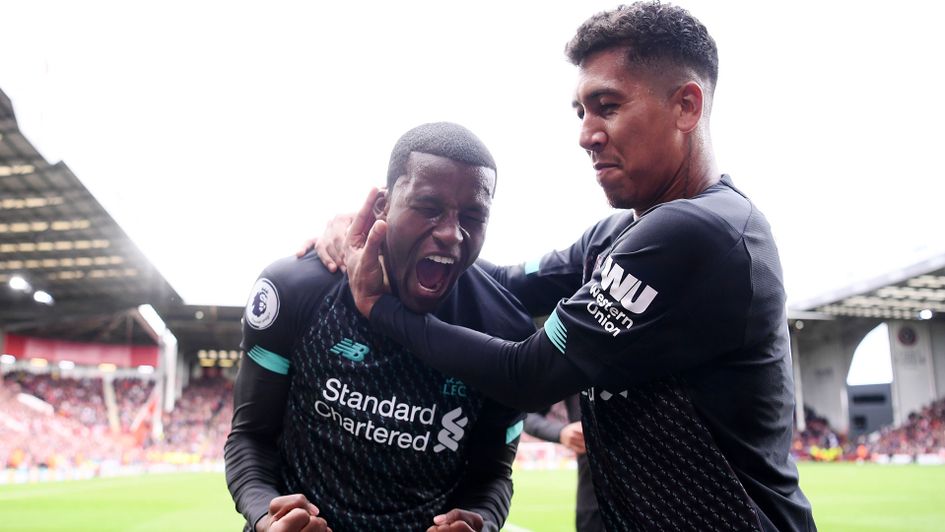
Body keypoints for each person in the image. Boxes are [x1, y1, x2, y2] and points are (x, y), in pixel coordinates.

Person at [339, 3, 817, 531]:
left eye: (607, 106)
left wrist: (379, 307)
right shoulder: (618, 235)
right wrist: (377, 240)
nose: (586, 134)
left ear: (686, 106)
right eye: (580, 112)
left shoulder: (707, 231)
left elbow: (528, 373)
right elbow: (500, 285)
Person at [224, 122, 535, 532]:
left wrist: (482, 521)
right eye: (429, 207)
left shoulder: (506, 331)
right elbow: (250, 437)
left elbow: (493, 476)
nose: (451, 233)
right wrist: (267, 515)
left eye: (473, 216)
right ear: (381, 206)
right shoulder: (296, 290)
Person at [523, 397, 601, 532]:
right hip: (593, 496)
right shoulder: (577, 376)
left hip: (644, 490)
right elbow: (526, 415)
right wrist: (560, 432)